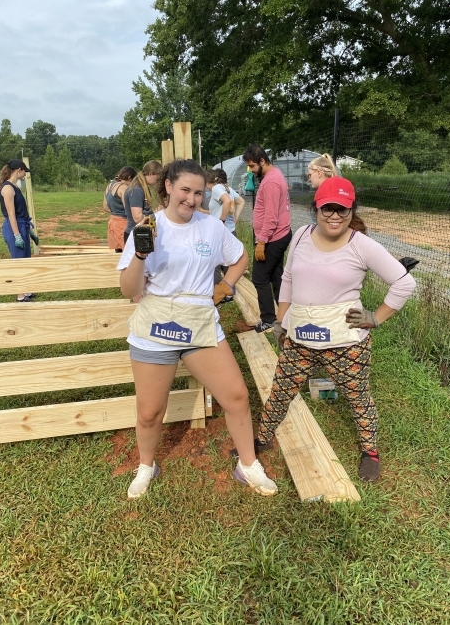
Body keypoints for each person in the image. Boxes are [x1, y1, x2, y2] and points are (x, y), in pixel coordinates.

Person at [117, 158, 277, 499]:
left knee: (236, 397)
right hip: (156, 322)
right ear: (169, 187)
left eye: (199, 193)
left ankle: (247, 465)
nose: (191, 199)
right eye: (185, 190)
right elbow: (129, 291)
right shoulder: (147, 227)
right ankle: (147, 466)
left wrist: (227, 286)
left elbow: (239, 257)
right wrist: (141, 255)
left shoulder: (210, 227)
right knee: (149, 412)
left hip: (200, 322)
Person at [252, 176, 417, 482]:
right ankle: (262, 438)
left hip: (344, 342)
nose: (335, 216)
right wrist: (281, 320)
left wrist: (376, 316)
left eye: (343, 209)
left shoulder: (362, 245)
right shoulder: (301, 235)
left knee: (357, 397)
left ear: (352, 211)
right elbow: (287, 279)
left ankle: (370, 452)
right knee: (281, 390)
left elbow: (404, 283)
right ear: (316, 208)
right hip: (300, 337)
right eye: (328, 208)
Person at [242, 144, 292, 333]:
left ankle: (269, 319)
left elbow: (271, 217)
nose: (252, 171)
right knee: (276, 276)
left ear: (262, 161)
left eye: (253, 166)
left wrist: (261, 241)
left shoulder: (271, 182)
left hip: (273, 237)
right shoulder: (275, 175)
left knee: (260, 278)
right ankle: (285, 315)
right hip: (279, 234)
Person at [0, 159, 39, 302]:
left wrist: (28, 231)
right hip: (13, 227)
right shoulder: (8, 188)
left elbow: (20, 211)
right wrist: (17, 235)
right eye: (25, 171)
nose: (25, 174)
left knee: (25, 260)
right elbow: (11, 214)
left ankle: (26, 291)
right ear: (19, 170)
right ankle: (20, 296)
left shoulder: (15, 186)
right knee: (18, 261)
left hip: (21, 225)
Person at [205, 168, 246, 285]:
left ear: (209, 181)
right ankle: (228, 290)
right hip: (231, 230)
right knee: (229, 261)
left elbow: (227, 202)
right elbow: (241, 201)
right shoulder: (228, 189)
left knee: (214, 263)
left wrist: (221, 221)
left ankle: (217, 291)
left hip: (220, 231)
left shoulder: (216, 188)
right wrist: (235, 219)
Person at [123, 161, 164, 244]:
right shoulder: (137, 190)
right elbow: (137, 217)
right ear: (151, 174)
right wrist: (158, 210)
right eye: (158, 177)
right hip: (135, 234)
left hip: (139, 233)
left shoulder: (141, 187)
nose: (159, 180)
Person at [102, 166, 136, 252]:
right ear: (129, 178)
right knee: (127, 252)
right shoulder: (123, 188)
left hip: (113, 223)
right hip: (123, 224)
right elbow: (128, 209)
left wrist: (115, 211)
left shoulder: (109, 186)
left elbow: (105, 207)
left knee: (118, 253)